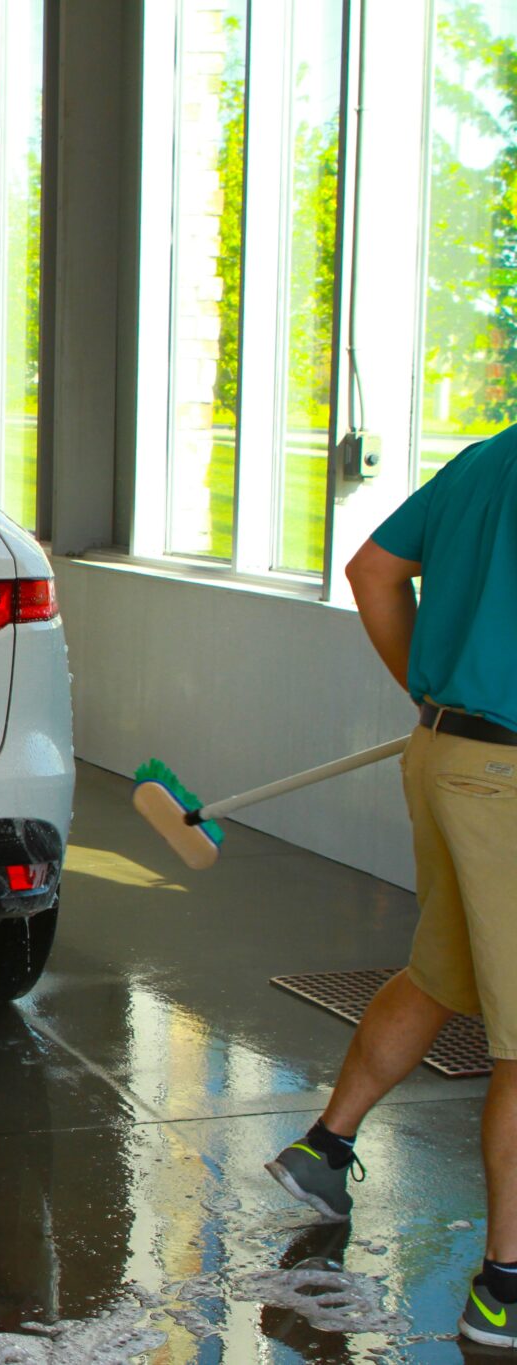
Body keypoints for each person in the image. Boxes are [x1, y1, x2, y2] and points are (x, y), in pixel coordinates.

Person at [263, 426, 517, 1346]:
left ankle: (324, 1145)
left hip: (447, 754)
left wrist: (434, 695)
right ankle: (505, 1287)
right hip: (512, 778)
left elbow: (372, 570)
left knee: (443, 972)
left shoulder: (491, 457)